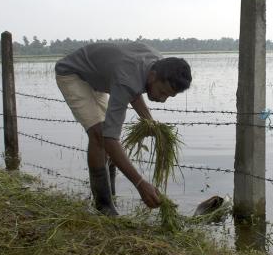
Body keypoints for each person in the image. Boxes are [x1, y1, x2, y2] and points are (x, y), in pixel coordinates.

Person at [55, 42, 192, 216]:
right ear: (152, 76)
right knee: (99, 135)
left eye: (168, 96)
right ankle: (103, 206)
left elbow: (135, 87)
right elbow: (110, 139)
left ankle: (110, 194)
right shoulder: (126, 79)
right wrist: (140, 183)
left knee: (105, 132)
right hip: (73, 74)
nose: (163, 99)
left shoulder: (158, 64)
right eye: (162, 92)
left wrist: (150, 124)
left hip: (99, 78)